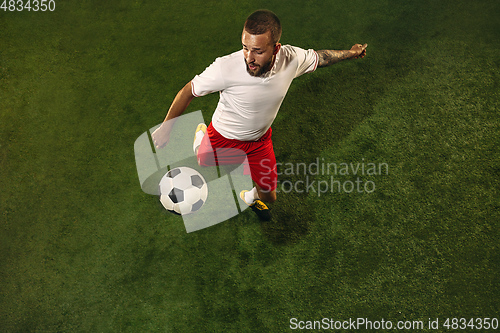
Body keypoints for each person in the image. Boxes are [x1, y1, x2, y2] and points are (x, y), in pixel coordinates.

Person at [152, 9, 367, 221]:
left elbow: (322, 58)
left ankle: (250, 197)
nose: (249, 57)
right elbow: (188, 91)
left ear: (276, 48)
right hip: (222, 136)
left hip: (259, 142)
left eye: (258, 51)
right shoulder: (225, 68)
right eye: (245, 48)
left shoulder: (291, 58)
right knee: (203, 159)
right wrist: (165, 129)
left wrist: (352, 53)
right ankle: (201, 137)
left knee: (269, 196)